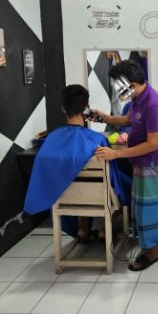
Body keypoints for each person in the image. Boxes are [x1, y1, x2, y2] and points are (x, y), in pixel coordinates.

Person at [23, 85, 130, 243]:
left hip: (64, 197)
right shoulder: (98, 140)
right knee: (124, 183)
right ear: (87, 108)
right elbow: (113, 178)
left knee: (77, 182)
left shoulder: (51, 139)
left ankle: (82, 229)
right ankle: (103, 230)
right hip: (99, 195)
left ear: (63, 108)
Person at [93, 60, 158, 271]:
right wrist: (106, 118)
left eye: (119, 86)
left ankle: (152, 253)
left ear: (132, 84)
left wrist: (116, 153)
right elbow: (128, 119)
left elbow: (153, 144)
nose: (118, 91)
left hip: (150, 163)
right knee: (153, 205)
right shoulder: (137, 98)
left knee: (145, 210)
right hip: (143, 162)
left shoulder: (153, 105)